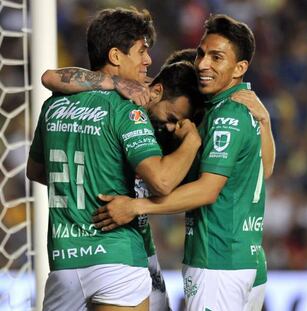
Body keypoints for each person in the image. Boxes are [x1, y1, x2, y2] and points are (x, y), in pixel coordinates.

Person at [93, 14, 275, 310]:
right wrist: (264, 122)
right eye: (201, 54)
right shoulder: (237, 107)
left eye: (217, 58)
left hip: (218, 259)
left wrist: (136, 206)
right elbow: (264, 169)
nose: (203, 64)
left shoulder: (223, 116)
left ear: (240, 67)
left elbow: (206, 189)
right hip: (244, 258)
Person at [27, 8, 202, 311]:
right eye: (141, 51)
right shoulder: (128, 109)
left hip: (64, 261)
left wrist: (92, 175)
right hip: (116, 258)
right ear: (116, 56)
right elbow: (161, 181)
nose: (148, 60)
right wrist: (192, 141)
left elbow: (37, 170)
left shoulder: (53, 104)